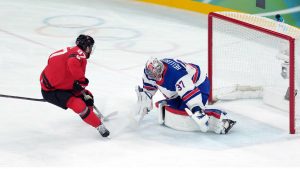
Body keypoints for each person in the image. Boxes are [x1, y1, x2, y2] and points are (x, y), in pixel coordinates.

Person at [135, 57, 236, 134]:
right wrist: (146, 99)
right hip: (178, 90)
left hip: (199, 85)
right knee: (175, 108)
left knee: (187, 113)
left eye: (158, 73)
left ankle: (220, 120)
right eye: (153, 74)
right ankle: (180, 105)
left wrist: (197, 110)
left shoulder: (176, 74)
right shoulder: (149, 72)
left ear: (161, 68)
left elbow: (188, 91)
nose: (156, 76)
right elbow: (149, 88)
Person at [40, 34, 110, 137]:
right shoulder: (80, 55)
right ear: (86, 47)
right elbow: (72, 62)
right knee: (78, 104)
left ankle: (90, 117)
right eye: (90, 47)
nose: (91, 50)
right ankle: (99, 126)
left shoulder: (70, 50)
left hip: (57, 85)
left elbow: (51, 58)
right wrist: (81, 81)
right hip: (51, 91)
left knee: (88, 97)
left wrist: (76, 83)